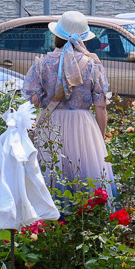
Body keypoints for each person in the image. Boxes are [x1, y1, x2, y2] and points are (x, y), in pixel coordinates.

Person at [23, 11, 113, 191]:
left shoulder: (43, 64)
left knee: (51, 178)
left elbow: (32, 102)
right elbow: (101, 107)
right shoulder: (93, 64)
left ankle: (50, 217)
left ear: (57, 36)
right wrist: (100, 140)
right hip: (84, 129)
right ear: (84, 39)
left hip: (51, 125)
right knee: (88, 179)